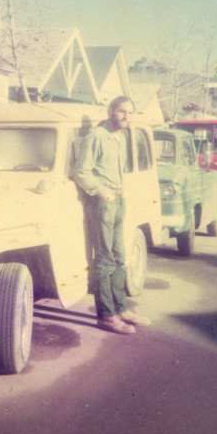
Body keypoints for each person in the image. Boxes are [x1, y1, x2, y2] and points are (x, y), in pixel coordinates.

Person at [73, 96, 151, 334]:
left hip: (118, 200)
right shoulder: (97, 135)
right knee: (105, 259)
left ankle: (121, 308)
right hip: (103, 202)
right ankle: (106, 315)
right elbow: (81, 171)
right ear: (110, 111)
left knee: (120, 255)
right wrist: (102, 192)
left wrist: (119, 192)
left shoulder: (123, 136)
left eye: (130, 112)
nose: (126, 116)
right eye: (121, 111)